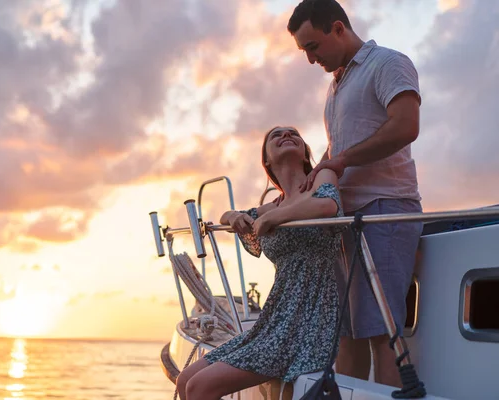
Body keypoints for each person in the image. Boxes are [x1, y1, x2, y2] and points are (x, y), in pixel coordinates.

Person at [286, 0, 424, 388]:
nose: (311, 60)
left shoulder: (388, 63)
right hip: (348, 218)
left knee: (383, 333)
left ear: (337, 29)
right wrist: (309, 180)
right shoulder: (335, 88)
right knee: (349, 335)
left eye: (312, 47)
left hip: (385, 211)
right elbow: (339, 149)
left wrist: (341, 159)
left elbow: (405, 126)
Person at [175, 126, 345, 400]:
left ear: (305, 153)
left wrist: (275, 218)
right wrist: (232, 216)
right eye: (276, 134)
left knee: (199, 387)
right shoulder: (274, 205)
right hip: (275, 318)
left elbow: (329, 205)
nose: (286, 135)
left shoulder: (320, 179)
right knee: (185, 379)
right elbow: (236, 215)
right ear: (266, 160)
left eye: (294, 133)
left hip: (308, 319)